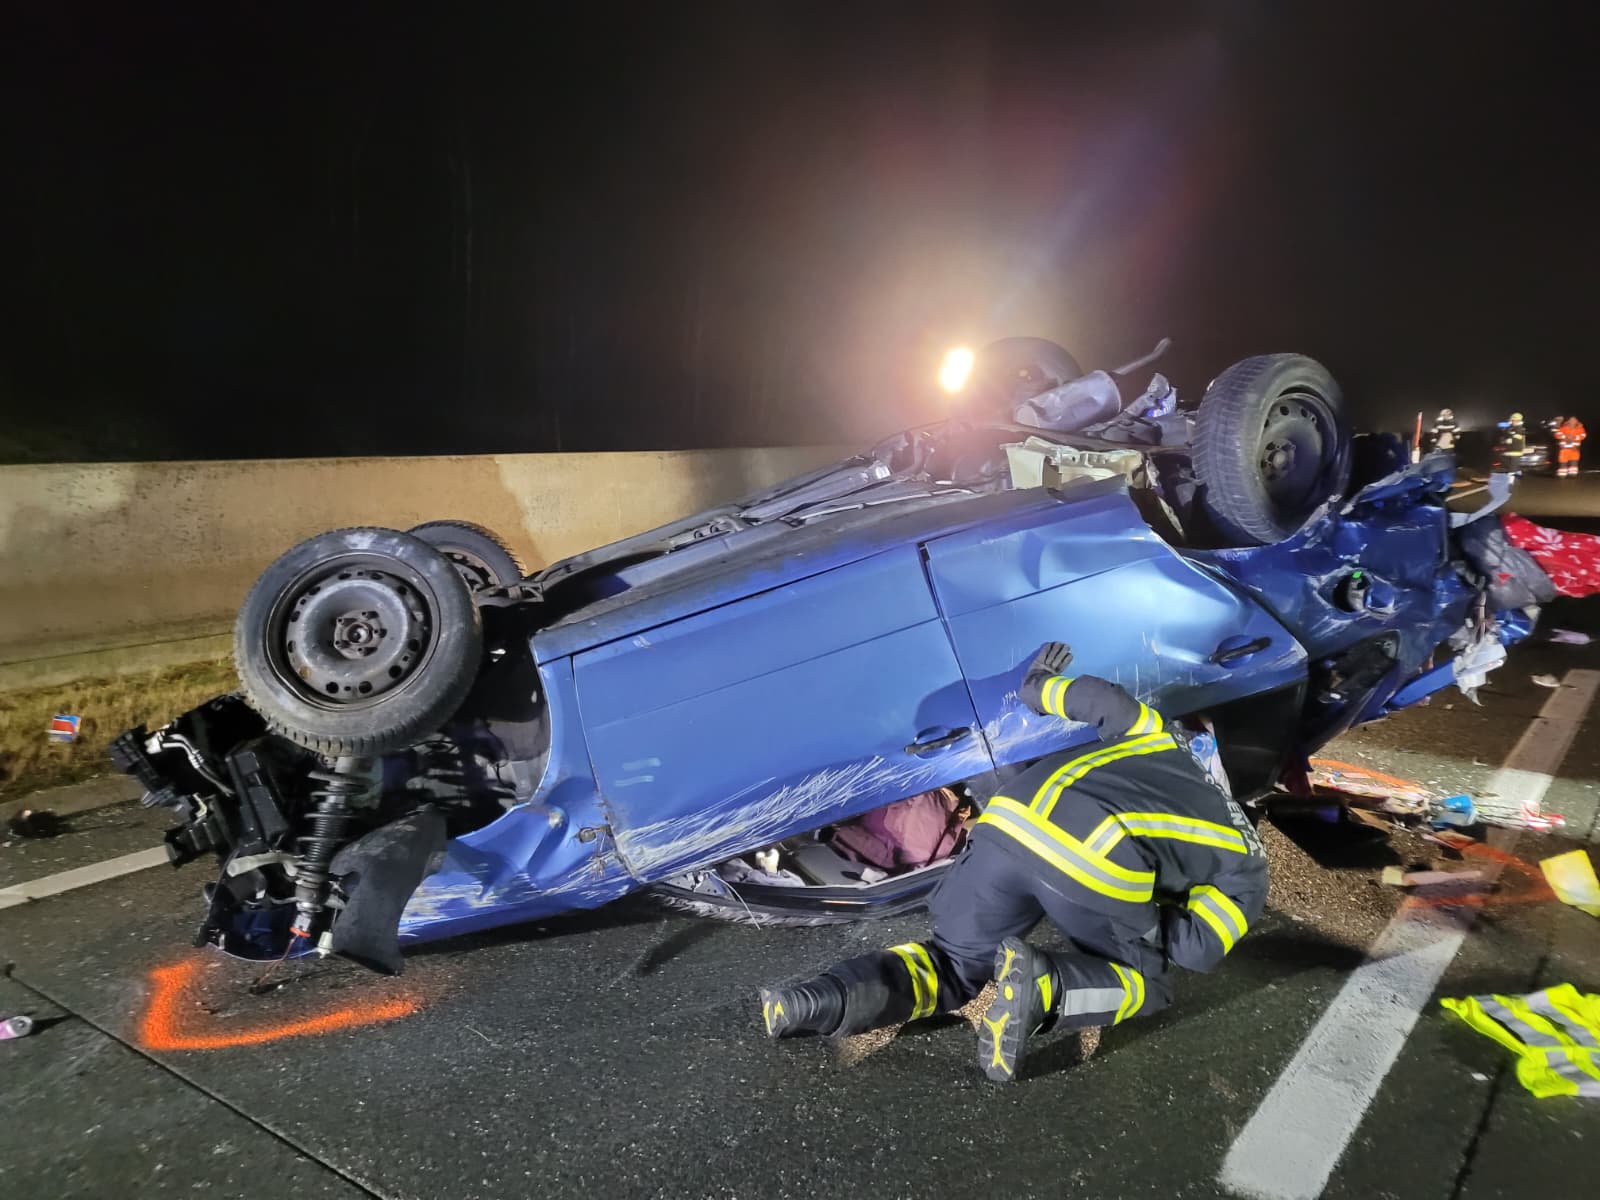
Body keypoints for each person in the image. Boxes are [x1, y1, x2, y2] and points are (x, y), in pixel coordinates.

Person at [758, 642, 1268, 1082]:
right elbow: (1196, 950)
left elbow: (1104, 700)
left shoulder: (1161, 736)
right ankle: (1048, 988)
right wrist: (1150, 913)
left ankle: (812, 1002)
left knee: (951, 963)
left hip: (1010, 818)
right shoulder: (1247, 862)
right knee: (1144, 982)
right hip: (1095, 855)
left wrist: (1038, 686)